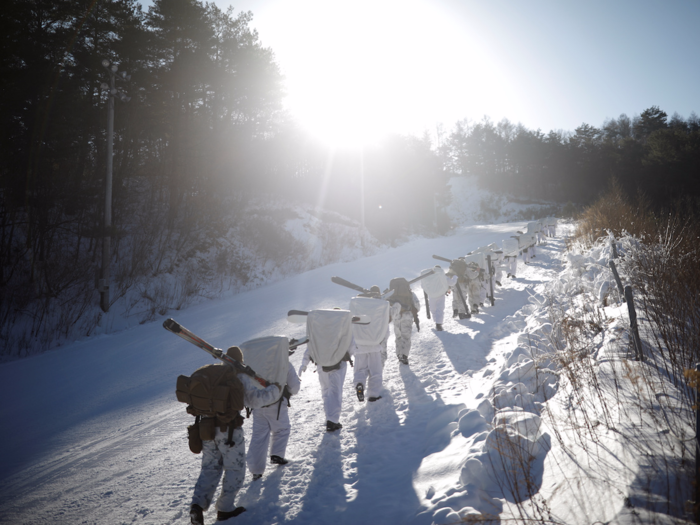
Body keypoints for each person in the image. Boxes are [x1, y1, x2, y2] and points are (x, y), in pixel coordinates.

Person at [190, 347, 280, 525]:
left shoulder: (214, 376)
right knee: (235, 468)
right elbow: (254, 400)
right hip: (229, 432)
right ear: (240, 361)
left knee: (209, 468)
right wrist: (275, 390)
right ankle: (225, 508)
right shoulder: (238, 377)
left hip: (207, 430)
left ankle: (197, 506)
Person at [299, 309, 354, 432]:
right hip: (338, 365)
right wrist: (345, 357)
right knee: (335, 392)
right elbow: (351, 344)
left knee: (326, 391)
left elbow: (311, 346)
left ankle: (329, 416)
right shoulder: (343, 328)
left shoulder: (320, 330)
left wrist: (304, 363)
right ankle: (332, 420)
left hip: (321, 365)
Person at [246, 358, 301, 480]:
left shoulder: (255, 362)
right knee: (282, 429)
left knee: (259, 435)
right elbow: (295, 387)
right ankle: (277, 454)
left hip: (258, 404)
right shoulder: (283, 362)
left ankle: (256, 470)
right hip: (276, 404)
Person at [349, 293, 390, 402]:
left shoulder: (357, 310)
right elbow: (385, 331)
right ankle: (373, 394)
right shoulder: (379, 313)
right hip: (374, 346)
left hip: (359, 346)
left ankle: (359, 384)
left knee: (360, 370)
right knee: (375, 372)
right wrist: (381, 342)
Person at [387, 277, 421, 365]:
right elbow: (417, 306)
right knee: (406, 337)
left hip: (396, 316)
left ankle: (399, 355)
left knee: (398, 337)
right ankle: (404, 356)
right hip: (407, 316)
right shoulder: (410, 294)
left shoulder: (391, 295)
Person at [420, 265, 455, 331]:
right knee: (440, 309)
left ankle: (436, 321)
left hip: (431, 295)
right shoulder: (442, 276)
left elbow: (422, 286)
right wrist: (455, 277)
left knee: (433, 309)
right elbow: (451, 283)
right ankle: (438, 324)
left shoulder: (428, 277)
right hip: (441, 294)